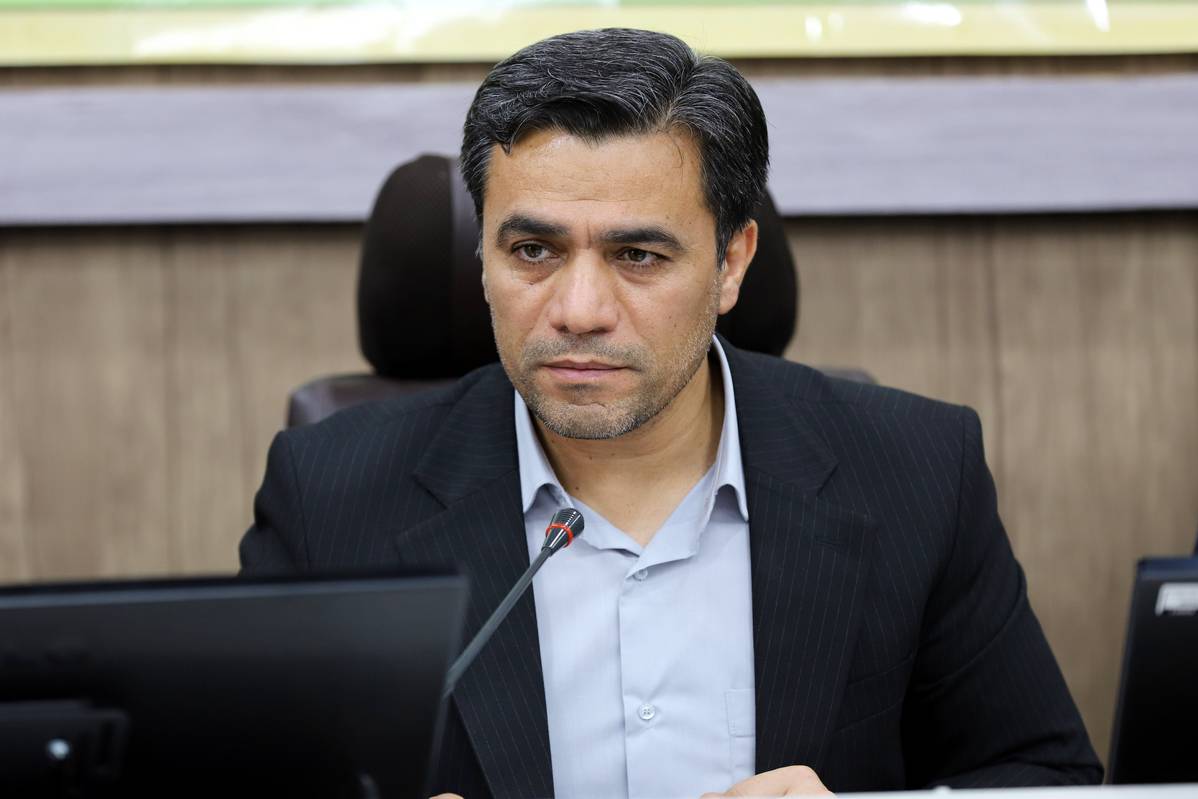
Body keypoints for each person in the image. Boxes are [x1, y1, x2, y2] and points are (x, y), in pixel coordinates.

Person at [240, 28, 1102, 799]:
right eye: (532, 250)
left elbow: (1041, 776)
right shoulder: (330, 497)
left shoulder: (917, 471)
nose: (579, 310)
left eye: (639, 254)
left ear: (731, 263)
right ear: (483, 257)